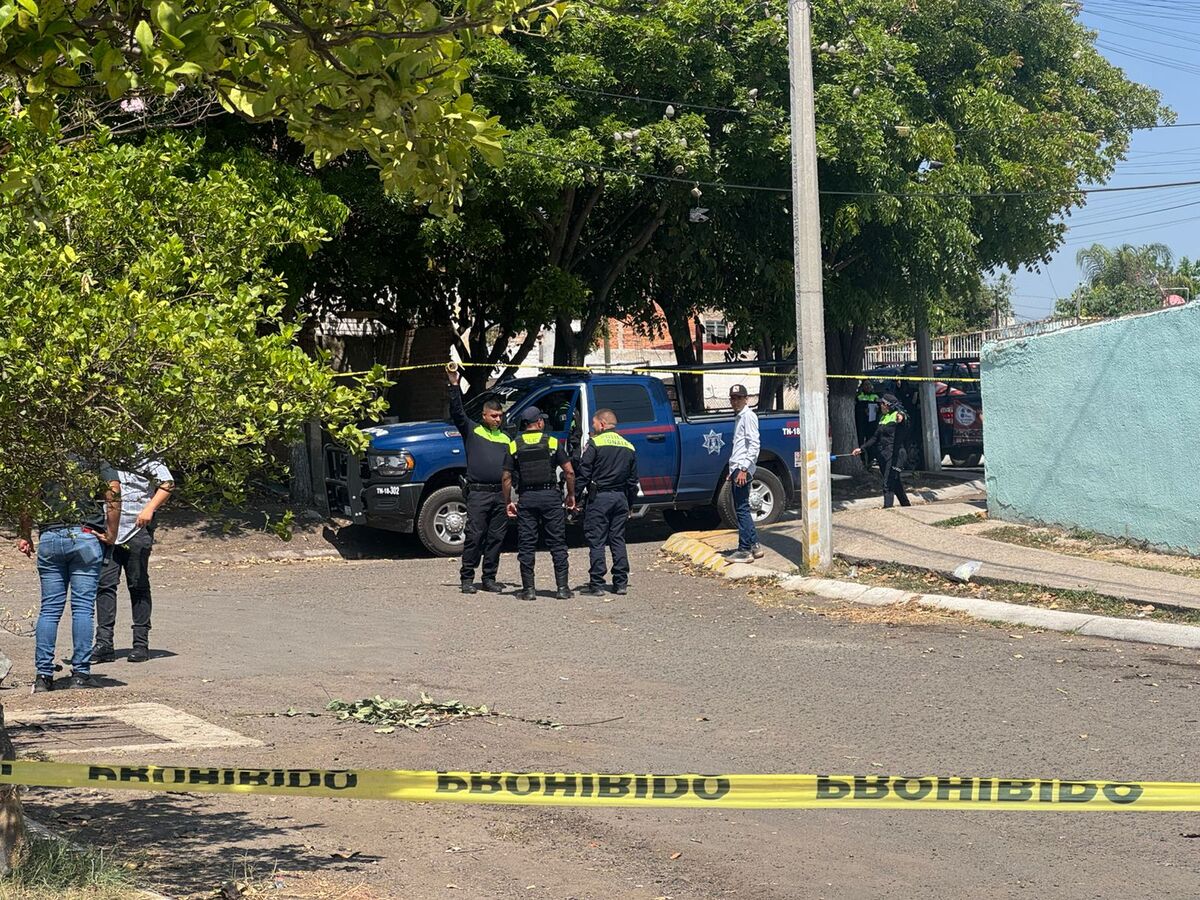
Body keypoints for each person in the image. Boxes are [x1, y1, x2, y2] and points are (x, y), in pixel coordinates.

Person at [16, 463, 119, 692]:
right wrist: (111, 533)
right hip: (85, 534)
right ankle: (80, 673)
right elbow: (114, 493)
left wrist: (25, 533)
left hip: (50, 535)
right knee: (82, 608)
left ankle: (43, 675)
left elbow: (28, 496)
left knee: (50, 609)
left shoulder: (43, 456)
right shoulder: (96, 458)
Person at [93, 457, 175, 663]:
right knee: (105, 585)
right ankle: (104, 643)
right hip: (108, 530)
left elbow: (168, 483)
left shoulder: (143, 455)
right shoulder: (100, 454)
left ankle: (140, 643)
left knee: (137, 584)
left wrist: (150, 508)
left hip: (136, 530)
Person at [447, 365, 510, 594]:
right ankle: (467, 578)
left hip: (499, 494)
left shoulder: (506, 438)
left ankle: (489, 578)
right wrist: (454, 385)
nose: (497, 419)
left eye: (500, 416)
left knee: (496, 538)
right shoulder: (473, 430)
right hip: (478, 493)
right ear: (484, 416)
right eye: (494, 416)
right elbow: (457, 412)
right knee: (475, 536)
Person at [502, 407, 576, 601]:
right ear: (540, 423)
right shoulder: (552, 442)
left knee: (526, 544)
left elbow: (506, 477)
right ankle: (562, 589)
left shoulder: (514, 445)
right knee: (557, 543)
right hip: (550, 496)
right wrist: (571, 495)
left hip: (527, 498)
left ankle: (529, 590)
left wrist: (508, 501)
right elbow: (569, 472)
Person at [577, 409, 639, 596]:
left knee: (597, 541)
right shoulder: (628, 446)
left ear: (602, 424)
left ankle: (597, 584)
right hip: (620, 498)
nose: (593, 428)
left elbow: (584, 473)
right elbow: (632, 481)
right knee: (617, 539)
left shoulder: (595, 443)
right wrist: (629, 504)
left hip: (600, 498)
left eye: (594, 424)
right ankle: (620, 583)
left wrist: (574, 496)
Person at [725, 384, 763, 563]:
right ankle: (754, 544)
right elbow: (739, 446)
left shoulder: (748, 416)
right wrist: (732, 469)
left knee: (741, 509)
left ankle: (744, 549)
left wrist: (744, 469)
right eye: (733, 398)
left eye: (739, 398)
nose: (735, 401)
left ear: (746, 399)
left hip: (743, 468)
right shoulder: (739, 417)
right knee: (742, 508)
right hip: (737, 467)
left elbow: (754, 445)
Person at [853, 393, 911, 508]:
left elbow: (905, 419)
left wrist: (901, 416)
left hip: (896, 455)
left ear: (887, 405)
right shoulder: (882, 418)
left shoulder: (897, 415)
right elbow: (875, 437)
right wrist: (862, 448)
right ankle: (906, 505)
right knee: (895, 481)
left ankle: (887, 509)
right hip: (884, 455)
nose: (880, 406)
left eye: (882, 404)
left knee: (888, 483)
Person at [855, 380, 881, 469]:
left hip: (872, 423)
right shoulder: (859, 396)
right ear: (862, 387)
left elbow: (880, 409)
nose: (868, 387)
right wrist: (863, 410)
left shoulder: (875, 396)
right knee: (861, 441)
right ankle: (862, 460)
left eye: (869, 385)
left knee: (871, 441)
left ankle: (871, 460)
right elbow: (856, 408)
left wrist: (878, 409)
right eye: (866, 385)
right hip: (861, 422)